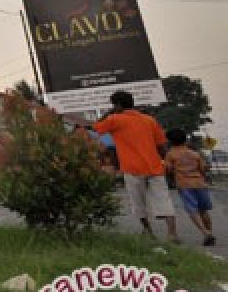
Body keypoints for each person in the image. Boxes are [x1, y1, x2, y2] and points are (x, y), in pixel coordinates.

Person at [91, 91, 178, 241]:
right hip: (154, 167)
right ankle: (172, 233)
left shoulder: (115, 119)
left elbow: (96, 128)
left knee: (138, 202)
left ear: (117, 105)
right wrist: (162, 161)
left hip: (132, 168)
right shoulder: (149, 120)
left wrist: (111, 113)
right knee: (164, 200)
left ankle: (148, 232)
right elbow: (161, 145)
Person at [164, 129, 217, 246]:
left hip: (184, 185)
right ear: (185, 140)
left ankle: (205, 233)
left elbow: (168, 169)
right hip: (200, 183)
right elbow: (203, 169)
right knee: (203, 210)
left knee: (192, 210)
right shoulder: (194, 153)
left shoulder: (171, 154)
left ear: (170, 142)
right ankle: (209, 233)